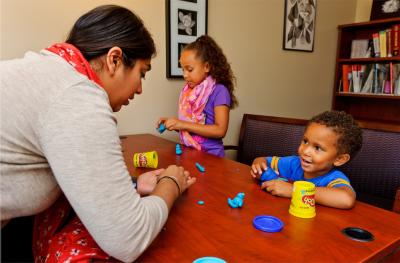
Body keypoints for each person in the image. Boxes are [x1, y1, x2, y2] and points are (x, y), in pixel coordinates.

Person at [0, 5, 196, 262]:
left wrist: (133, 186)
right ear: (114, 59)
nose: (139, 89)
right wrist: (172, 183)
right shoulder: (76, 95)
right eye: (142, 74)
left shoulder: (53, 70)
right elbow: (128, 236)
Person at [250, 111, 363, 209]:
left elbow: (346, 199)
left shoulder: (333, 178)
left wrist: (293, 191)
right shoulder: (294, 163)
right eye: (305, 141)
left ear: (339, 159)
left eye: (317, 148)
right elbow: (262, 160)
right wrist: (259, 167)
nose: (305, 151)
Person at [157, 35, 238, 157]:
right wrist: (173, 124)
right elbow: (193, 128)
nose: (185, 75)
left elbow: (220, 130)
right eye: (182, 70)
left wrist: (182, 124)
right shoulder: (188, 93)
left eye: (189, 69)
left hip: (212, 157)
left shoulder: (220, 91)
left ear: (206, 67)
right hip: (191, 153)